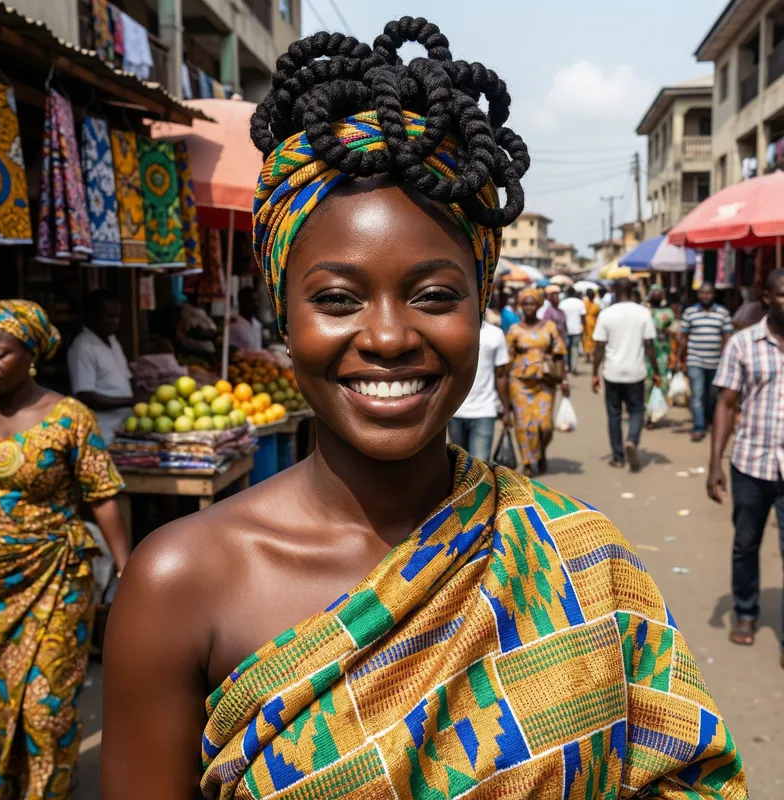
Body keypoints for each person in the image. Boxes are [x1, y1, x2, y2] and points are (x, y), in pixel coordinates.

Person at [102, 20, 745, 798]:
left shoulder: (579, 558)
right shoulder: (177, 584)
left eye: (435, 295)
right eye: (336, 298)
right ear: (282, 314)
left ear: (481, 308)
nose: (386, 336)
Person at [0, 300, 130, 797]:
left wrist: (126, 568)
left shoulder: (69, 418)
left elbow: (104, 494)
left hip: (56, 578)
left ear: (31, 356)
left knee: (46, 709)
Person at [709, 268, 784, 658]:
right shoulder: (742, 344)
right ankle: (745, 611)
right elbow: (726, 403)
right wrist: (714, 463)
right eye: (783, 294)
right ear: (766, 297)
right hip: (751, 463)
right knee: (746, 543)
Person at [592, 278, 661, 471]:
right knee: (636, 410)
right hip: (636, 372)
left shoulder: (606, 314)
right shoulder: (643, 313)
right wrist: (656, 371)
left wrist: (594, 373)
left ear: (613, 290)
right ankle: (631, 439)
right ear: (633, 290)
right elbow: (649, 345)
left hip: (612, 372)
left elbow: (599, 346)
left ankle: (618, 456)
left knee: (614, 414)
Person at [506, 288, 568, 475]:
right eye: (525, 303)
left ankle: (540, 452)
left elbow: (559, 355)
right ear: (521, 306)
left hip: (545, 382)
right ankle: (527, 461)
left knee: (545, 425)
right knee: (525, 425)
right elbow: (506, 360)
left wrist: (563, 379)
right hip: (520, 383)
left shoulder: (549, 327)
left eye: (532, 303)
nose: (529, 307)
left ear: (539, 305)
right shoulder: (514, 330)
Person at [68, 290, 135, 444]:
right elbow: (85, 395)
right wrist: (130, 401)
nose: (115, 322)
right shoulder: (83, 347)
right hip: (102, 433)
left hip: (123, 428)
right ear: (92, 316)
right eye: (109, 317)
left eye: (117, 317)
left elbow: (128, 378)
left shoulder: (113, 341)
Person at [677, 283, 733, 442]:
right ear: (698, 295)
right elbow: (683, 337)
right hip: (695, 360)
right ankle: (699, 427)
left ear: (713, 295)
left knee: (712, 395)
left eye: (708, 293)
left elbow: (727, 336)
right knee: (697, 394)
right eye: (702, 293)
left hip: (717, 362)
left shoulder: (722, 313)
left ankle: (709, 420)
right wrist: (680, 359)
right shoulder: (690, 313)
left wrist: (728, 358)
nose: (705, 296)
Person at [448, 318, 510, 461]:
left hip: (485, 411)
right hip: (455, 411)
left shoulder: (495, 334)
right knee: (458, 465)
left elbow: (501, 375)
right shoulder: (452, 331)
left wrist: (506, 410)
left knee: (479, 466)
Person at [646, 284, 676, 423]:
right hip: (645, 352)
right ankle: (647, 412)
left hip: (662, 352)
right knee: (646, 383)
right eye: (654, 292)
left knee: (661, 380)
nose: (657, 295)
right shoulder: (644, 311)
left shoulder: (668, 313)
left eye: (659, 292)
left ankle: (656, 412)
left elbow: (675, 329)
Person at [558, 288, 585, 374]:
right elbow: (583, 317)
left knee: (566, 349)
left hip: (565, 330)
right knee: (575, 349)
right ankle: (573, 367)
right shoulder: (580, 303)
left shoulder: (563, 303)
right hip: (576, 329)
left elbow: (560, 317)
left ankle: (568, 367)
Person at [229, 286, 264, 351]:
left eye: (257, 301)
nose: (256, 305)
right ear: (242, 302)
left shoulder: (257, 324)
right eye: (252, 301)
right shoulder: (234, 325)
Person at [581, 288, 599, 362]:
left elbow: (597, 314)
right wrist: (583, 324)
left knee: (594, 340)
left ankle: (593, 356)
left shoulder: (596, 305)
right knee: (586, 340)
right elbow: (582, 314)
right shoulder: (584, 303)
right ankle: (587, 357)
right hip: (586, 324)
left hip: (594, 324)